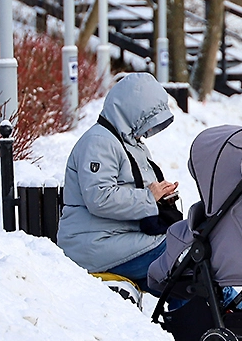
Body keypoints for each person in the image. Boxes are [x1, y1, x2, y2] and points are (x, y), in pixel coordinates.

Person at [57, 72, 179, 291]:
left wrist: (160, 196)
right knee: (177, 255)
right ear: (133, 111)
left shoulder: (128, 143)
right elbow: (99, 197)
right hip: (94, 245)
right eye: (147, 118)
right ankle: (196, 320)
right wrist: (149, 196)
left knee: (185, 260)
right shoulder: (99, 142)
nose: (149, 129)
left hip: (116, 238)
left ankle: (203, 315)